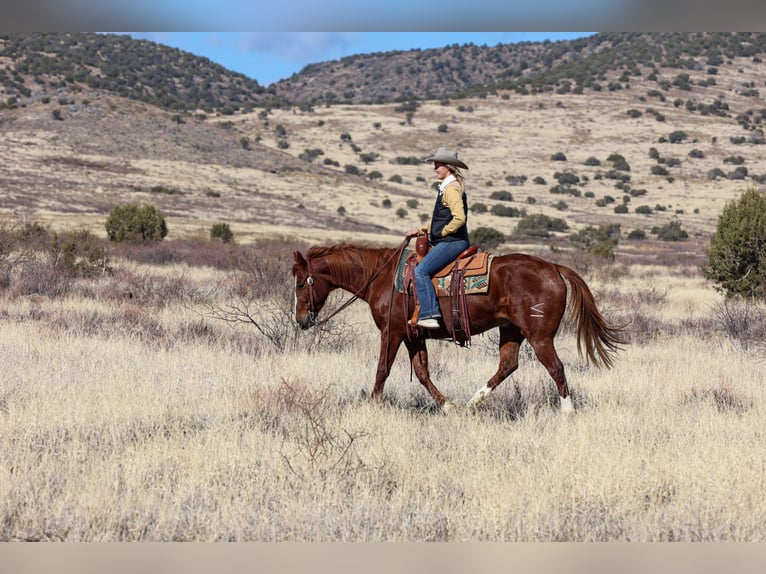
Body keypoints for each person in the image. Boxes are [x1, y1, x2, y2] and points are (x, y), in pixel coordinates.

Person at [406, 147, 470, 330]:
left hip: (453, 242)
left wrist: (442, 233)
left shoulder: (451, 190)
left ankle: (430, 314)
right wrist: (419, 231)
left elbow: (459, 218)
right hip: (449, 240)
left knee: (421, 271)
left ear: (448, 167)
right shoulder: (447, 188)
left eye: (438, 165)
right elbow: (440, 221)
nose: (435, 168)